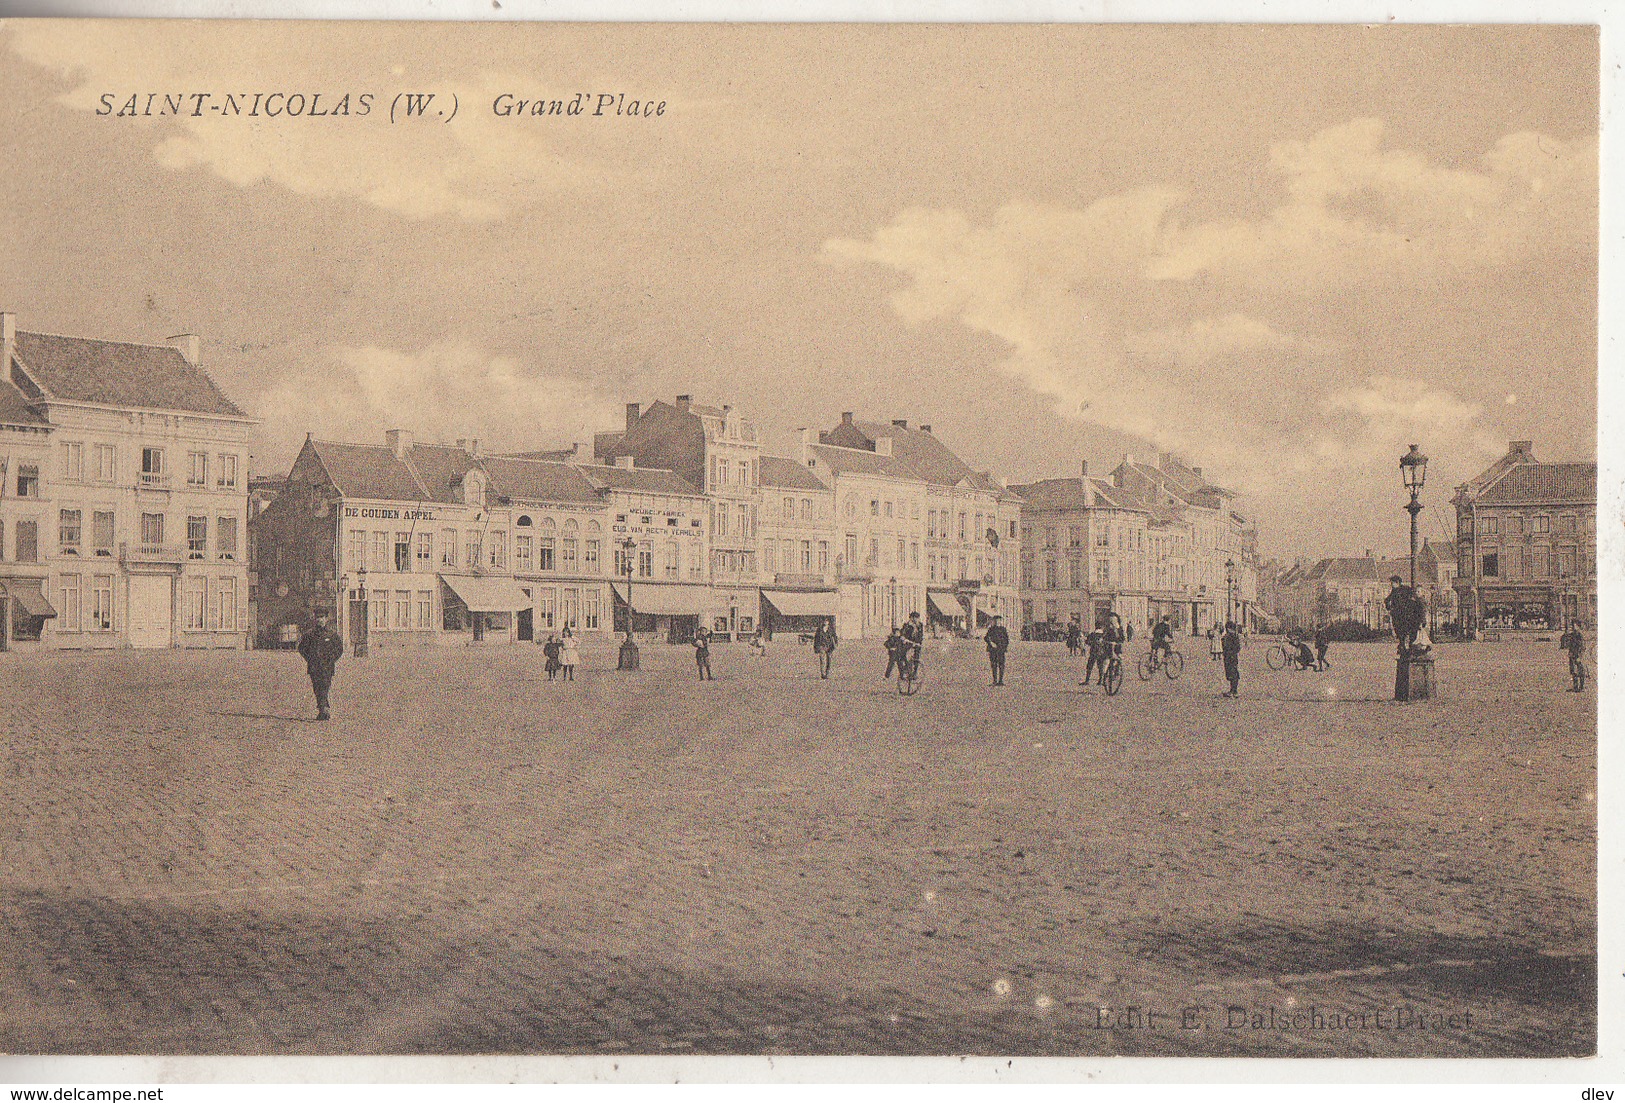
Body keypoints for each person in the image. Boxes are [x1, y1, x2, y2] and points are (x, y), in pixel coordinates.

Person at [296, 607, 344, 721]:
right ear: (315, 619)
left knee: (325, 686)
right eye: (318, 617)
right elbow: (302, 648)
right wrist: (310, 659)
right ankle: (323, 708)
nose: (320, 620)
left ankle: (324, 708)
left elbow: (339, 649)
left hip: (327, 666)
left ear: (326, 619)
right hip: (314, 666)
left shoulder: (332, 635)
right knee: (317, 688)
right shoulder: (310, 635)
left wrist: (331, 659)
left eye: (322, 617)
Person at [1384, 576, 1424, 655]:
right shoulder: (1394, 591)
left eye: (1392, 583)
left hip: (1406, 614)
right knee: (1399, 631)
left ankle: (1409, 646)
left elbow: (1413, 598)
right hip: (1397, 614)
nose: (1391, 585)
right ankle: (1403, 645)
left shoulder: (1406, 589)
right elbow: (1387, 600)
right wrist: (1388, 607)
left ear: (1397, 582)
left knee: (1407, 630)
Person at [985, 614, 1011, 686]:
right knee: (994, 665)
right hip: (993, 650)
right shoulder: (991, 629)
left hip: (1001, 650)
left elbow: (1006, 639)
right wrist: (991, 644)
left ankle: (1000, 681)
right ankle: (994, 681)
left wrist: (1004, 647)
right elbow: (986, 638)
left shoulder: (1003, 629)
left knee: (1001, 665)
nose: (997, 622)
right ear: (994, 621)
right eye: (996, 621)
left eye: (999, 621)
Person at [1559, 624, 1586, 692]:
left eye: (1575, 626)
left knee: (1580, 671)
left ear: (1578, 627)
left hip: (1577, 655)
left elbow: (1582, 647)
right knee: (1573, 671)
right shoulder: (1572, 635)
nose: (1574, 627)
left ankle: (1581, 687)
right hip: (1572, 654)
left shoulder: (1579, 636)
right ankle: (1575, 687)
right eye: (1573, 626)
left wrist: (1580, 656)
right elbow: (1566, 641)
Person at [1220, 620, 1242, 697]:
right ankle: (1232, 690)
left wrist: (1229, 652)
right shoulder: (1233, 636)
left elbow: (1227, 646)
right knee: (1232, 673)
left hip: (1230, 657)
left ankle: (1234, 691)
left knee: (1232, 673)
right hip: (1231, 657)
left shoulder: (1230, 636)